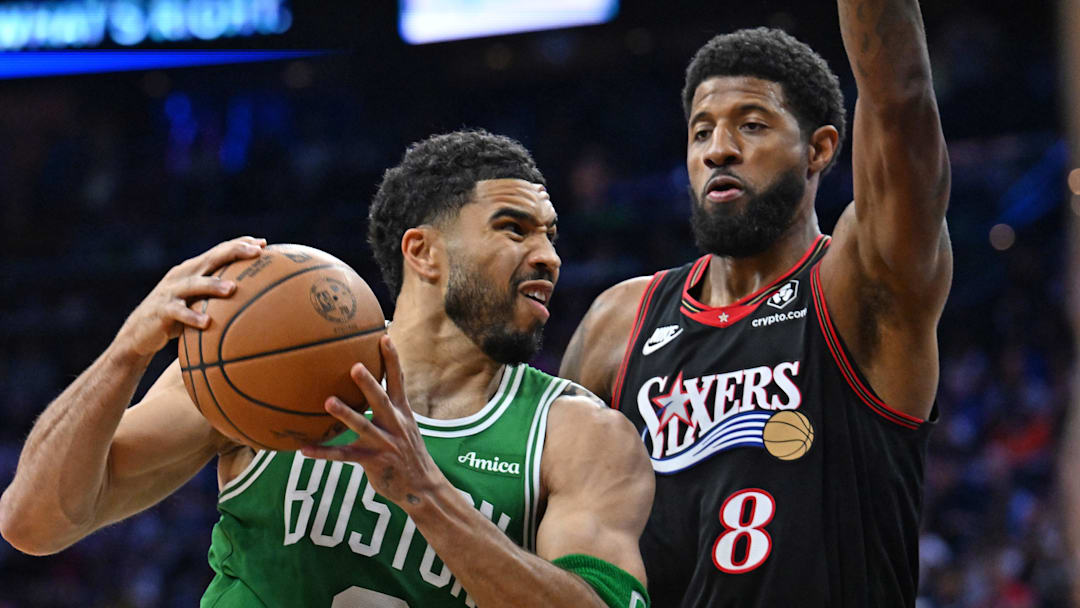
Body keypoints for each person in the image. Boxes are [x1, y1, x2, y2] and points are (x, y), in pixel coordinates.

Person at [0, 129, 654, 608]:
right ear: (423, 251)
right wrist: (127, 353)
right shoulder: (262, 369)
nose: (547, 256)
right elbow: (34, 524)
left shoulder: (578, 437)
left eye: (550, 234)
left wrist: (424, 494)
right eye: (515, 228)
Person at [559, 2, 951, 606]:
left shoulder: (858, 285)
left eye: (752, 125)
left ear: (819, 150)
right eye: (701, 131)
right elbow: (552, 527)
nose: (718, 149)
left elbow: (900, 99)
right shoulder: (620, 322)